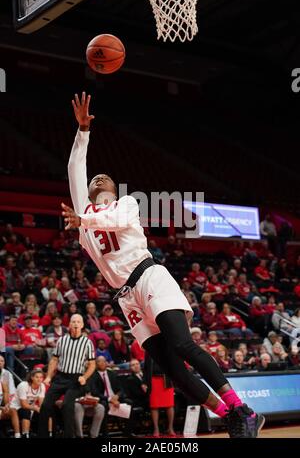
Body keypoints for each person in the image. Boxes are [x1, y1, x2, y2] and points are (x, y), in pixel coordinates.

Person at [61, 91, 264, 438]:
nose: (97, 180)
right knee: (171, 368)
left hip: (150, 277)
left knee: (183, 345)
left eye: (103, 179)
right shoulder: (85, 216)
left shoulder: (125, 204)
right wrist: (83, 132)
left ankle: (242, 406)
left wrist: (83, 222)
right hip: (126, 298)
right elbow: (74, 168)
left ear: (111, 188)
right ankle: (230, 416)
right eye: (94, 181)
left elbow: (106, 220)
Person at [38, 314, 96, 438]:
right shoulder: (62, 340)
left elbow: (92, 364)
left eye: (78, 322)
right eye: (73, 321)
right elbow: (54, 360)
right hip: (60, 377)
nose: (75, 324)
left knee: (66, 406)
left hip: (75, 380)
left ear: (82, 325)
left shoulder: (87, 342)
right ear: (69, 324)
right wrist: (48, 377)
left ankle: (70, 435)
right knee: (45, 406)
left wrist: (84, 377)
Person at [10, 368, 45, 438]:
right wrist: (36, 408)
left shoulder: (42, 386)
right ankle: (23, 434)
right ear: (32, 378)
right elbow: (23, 405)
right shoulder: (23, 385)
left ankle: (48, 433)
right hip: (16, 407)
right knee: (26, 411)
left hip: (30, 407)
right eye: (37, 377)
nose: (39, 379)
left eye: (41, 377)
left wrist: (41, 409)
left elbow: (41, 403)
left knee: (46, 411)